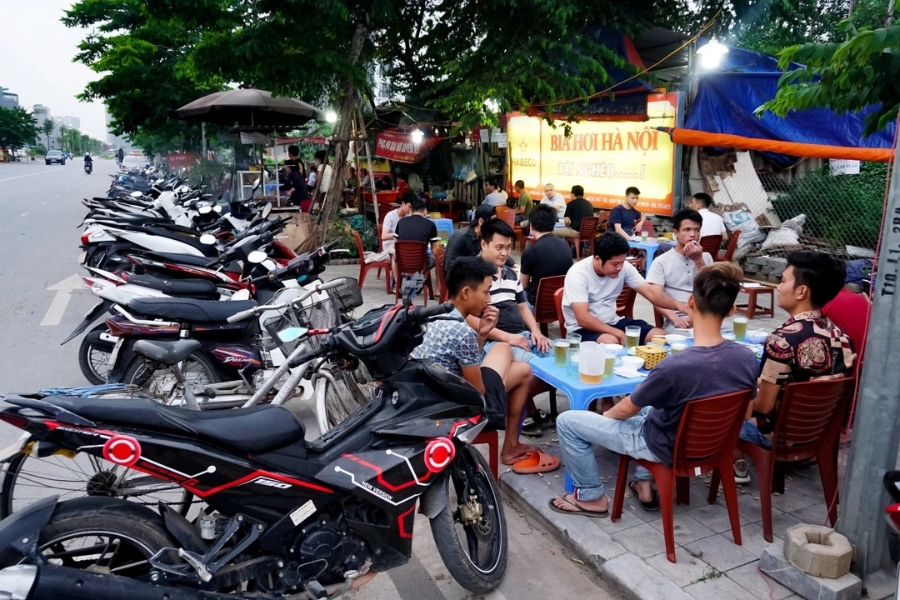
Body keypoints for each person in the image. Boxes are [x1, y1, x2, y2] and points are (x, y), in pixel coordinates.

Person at [550, 262, 759, 516]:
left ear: (690, 303)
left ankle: (591, 496)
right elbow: (746, 414)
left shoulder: (674, 365)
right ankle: (644, 482)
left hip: (660, 444)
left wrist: (604, 419)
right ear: (732, 310)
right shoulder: (747, 358)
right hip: (713, 444)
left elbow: (626, 409)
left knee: (568, 422)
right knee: (647, 406)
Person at [735, 251, 856, 484]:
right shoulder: (841, 337)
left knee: (720, 402)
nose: (778, 287)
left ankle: (735, 467)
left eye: (783, 281)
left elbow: (763, 407)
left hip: (779, 438)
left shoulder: (783, 339)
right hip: (819, 434)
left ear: (801, 291)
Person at [411, 257, 540, 465]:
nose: (489, 299)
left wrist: (483, 334)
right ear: (466, 293)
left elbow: (468, 360)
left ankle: (511, 445)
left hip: (433, 394)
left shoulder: (434, 315)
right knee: (514, 360)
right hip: (455, 405)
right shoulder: (462, 332)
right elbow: (478, 391)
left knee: (516, 362)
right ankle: (510, 446)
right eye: (486, 292)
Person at [562, 233, 687, 345]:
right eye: (615, 264)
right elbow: (583, 318)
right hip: (582, 329)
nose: (619, 268)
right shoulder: (578, 274)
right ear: (598, 259)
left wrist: (680, 306)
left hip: (613, 322)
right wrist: (618, 333)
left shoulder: (624, 267)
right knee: (611, 342)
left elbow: (651, 292)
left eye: (622, 262)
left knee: (661, 336)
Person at [465, 220, 551, 362]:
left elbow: (523, 307)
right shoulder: (473, 275)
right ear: (484, 245)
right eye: (499, 248)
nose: (504, 253)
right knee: (537, 365)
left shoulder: (511, 274)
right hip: (494, 343)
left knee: (559, 355)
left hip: (523, 336)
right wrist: (507, 337)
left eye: (508, 247)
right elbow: (467, 317)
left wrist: (536, 331)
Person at [646, 209, 713, 331]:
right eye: (687, 230)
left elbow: (714, 290)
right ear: (676, 233)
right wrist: (675, 318)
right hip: (679, 316)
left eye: (697, 230)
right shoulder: (661, 261)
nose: (693, 234)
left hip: (707, 315)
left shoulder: (706, 257)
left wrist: (698, 260)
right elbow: (655, 296)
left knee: (733, 336)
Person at [520, 204, 573, 307]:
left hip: (537, 304)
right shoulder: (565, 245)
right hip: (561, 301)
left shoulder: (530, 251)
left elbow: (523, 285)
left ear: (531, 226)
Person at [393, 195, 440, 287]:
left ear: (411, 211)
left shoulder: (401, 222)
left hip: (402, 262)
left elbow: (395, 245)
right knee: (439, 257)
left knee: (393, 257)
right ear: (425, 211)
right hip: (421, 263)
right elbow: (435, 250)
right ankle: (438, 289)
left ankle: (398, 285)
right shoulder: (430, 225)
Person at [444, 204, 498, 273]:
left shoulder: (483, 235)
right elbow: (449, 267)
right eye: (493, 221)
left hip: (470, 272)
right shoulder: (459, 237)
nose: (495, 225)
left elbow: (499, 251)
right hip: (458, 276)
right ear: (481, 221)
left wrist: (512, 264)